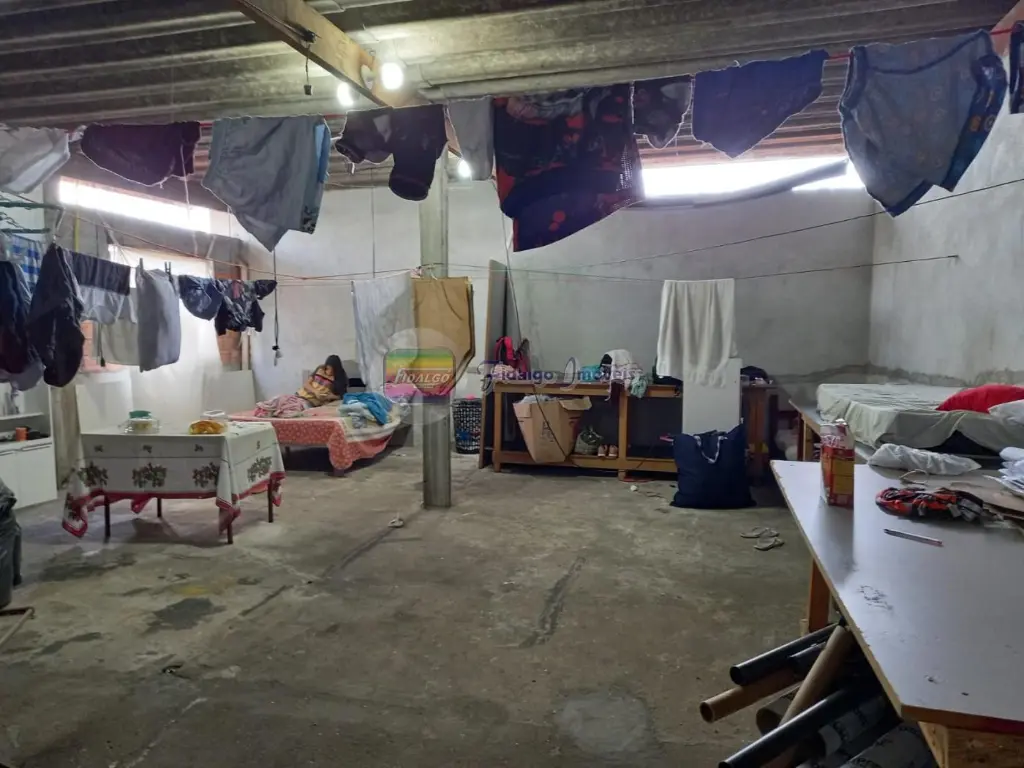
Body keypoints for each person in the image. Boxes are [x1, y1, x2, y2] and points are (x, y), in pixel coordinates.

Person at [254, 355, 348, 418]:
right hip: (299, 395)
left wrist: (329, 396)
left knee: (291, 408)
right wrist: (315, 391)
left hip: (310, 402)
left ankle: (274, 413)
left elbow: (341, 396)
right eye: (327, 368)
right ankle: (265, 410)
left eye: (332, 370)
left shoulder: (339, 378)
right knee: (279, 399)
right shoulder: (320, 369)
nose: (329, 372)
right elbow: (306, 384)